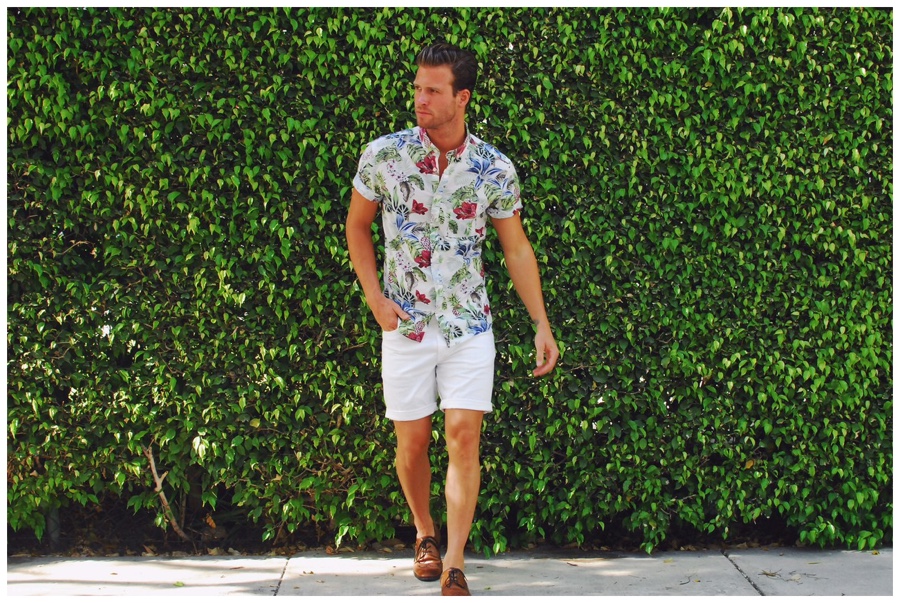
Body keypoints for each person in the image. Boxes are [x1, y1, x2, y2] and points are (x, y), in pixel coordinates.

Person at [345, 42, 559, 596]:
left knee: (463, 437)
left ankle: (456, 560)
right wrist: (375, 299)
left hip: (469, 324)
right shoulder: (384, 156)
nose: (421, 99)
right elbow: (357, 227)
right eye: (418, 88)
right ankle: (425, 532)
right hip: (405, 324)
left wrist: (541, 323)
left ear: (461, 98)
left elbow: (515, 247)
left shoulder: (494, 168)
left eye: (433, 90)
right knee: (412, 443)